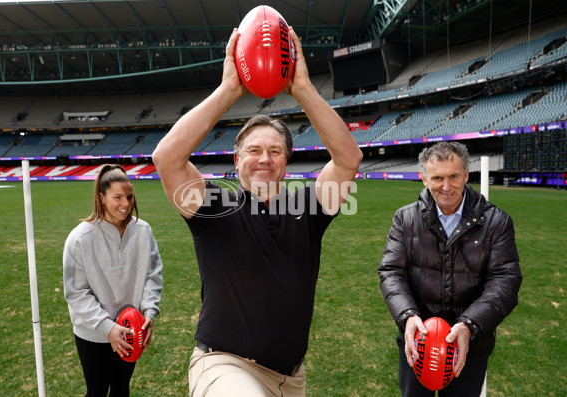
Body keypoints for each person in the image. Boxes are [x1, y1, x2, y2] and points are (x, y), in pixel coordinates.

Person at [152, 27, 362, 397]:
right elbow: (166, 159)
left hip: (290, 379)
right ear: (236, 159)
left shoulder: (308, 207)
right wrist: (230, 89)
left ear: (286, 161)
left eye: (274, 151)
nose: (264, 159)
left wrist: (302, 88)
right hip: (224, 366)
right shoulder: (213, 205)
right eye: (253, 150)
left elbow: (348, 159)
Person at [378, 141, 522, 397]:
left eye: (454, 176)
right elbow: (391, 272)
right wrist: (408, 316)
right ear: (424, 179)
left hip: (471, 346)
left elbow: (506, 281)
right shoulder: (405, 218)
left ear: (466, 174)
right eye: (437, 178)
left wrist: (470, 324)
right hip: (417, 343)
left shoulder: (497, 222)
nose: (446, 187)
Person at [63, 164, 163, 397]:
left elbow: (153, 276)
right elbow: (76, 293)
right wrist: (107, 327)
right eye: (117, 197)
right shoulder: (80, 238)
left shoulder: (144, 232)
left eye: (129, 197)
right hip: (94, 333)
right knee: (97, 392)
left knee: (121, 389)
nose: (126, 204)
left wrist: (149, 313)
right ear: (101, 197)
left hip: (132, 330)